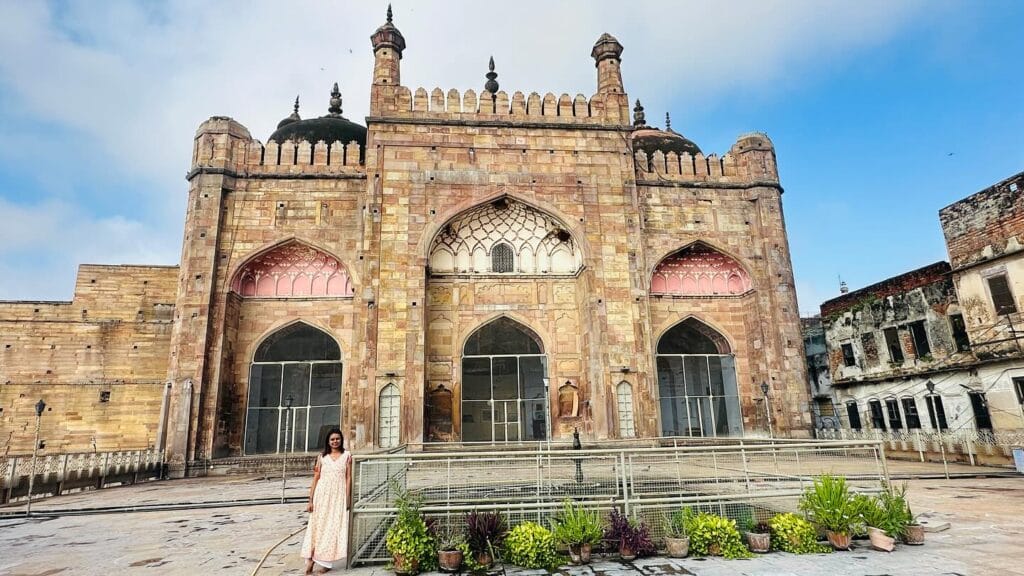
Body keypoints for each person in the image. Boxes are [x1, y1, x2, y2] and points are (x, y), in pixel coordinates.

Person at [301, 428, 352, 574]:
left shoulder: (347, 456)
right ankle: (310, 560)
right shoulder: (322, 457)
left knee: (332, 528)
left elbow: (348, 478)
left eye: (337, 439)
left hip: (338, 496)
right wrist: (310, 500)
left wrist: (347, 498)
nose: (335, 441)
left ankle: (325, 562)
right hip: (322, 495)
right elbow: (316, 478)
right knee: (316, 527)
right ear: (328, 441)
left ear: (341, 440)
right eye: (332, 439)